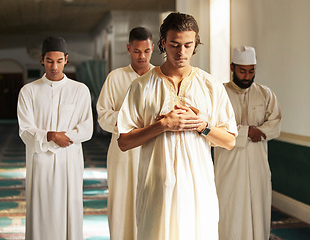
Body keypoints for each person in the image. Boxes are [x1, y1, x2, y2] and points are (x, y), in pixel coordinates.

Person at [117, 12, 237, 240]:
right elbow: (124, 141)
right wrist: (162, 126)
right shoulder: (142, 86)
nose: (181, 52)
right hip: (156, 189)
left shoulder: (210, 86)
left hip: (198, 189)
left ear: (195, 45)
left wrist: (203, 126)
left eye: (188, 45)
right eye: (174, 45)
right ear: (162, 43)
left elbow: (230, 141)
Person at [17, 36, 93, 240]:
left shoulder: (80, 90)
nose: (54, 66)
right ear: (41, 59)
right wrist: (50, 135)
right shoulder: (28, 92)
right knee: (42, 212)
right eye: (50, 61)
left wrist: (64, 137)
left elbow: (86, 129)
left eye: (59, 61)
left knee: (69, 211)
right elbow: (25, 130)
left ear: (66, 59)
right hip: (40, 163)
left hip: (69, 162)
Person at [214, 46, 282, 240]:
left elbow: (275, 123)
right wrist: (245, 132)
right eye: (242, 71)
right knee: (230, 212)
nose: (247, 76)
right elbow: (213, 129)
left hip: (258, 165)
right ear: (232, 68)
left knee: (258, 212)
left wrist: (259, 132)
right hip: (229, 168)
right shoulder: (220, 93)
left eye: (251, 71)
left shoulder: (265, 94)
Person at [96, 27, 154, 240]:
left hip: (152, 149)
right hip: (121, 152)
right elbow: (103, 116)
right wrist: (130, 120)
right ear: (128, 49)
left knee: (151, 200)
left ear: (153, 49)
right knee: (121, 200)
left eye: (146, 51)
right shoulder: (115, 77)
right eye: (137, 51)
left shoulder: (160, 77)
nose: (142, 56)